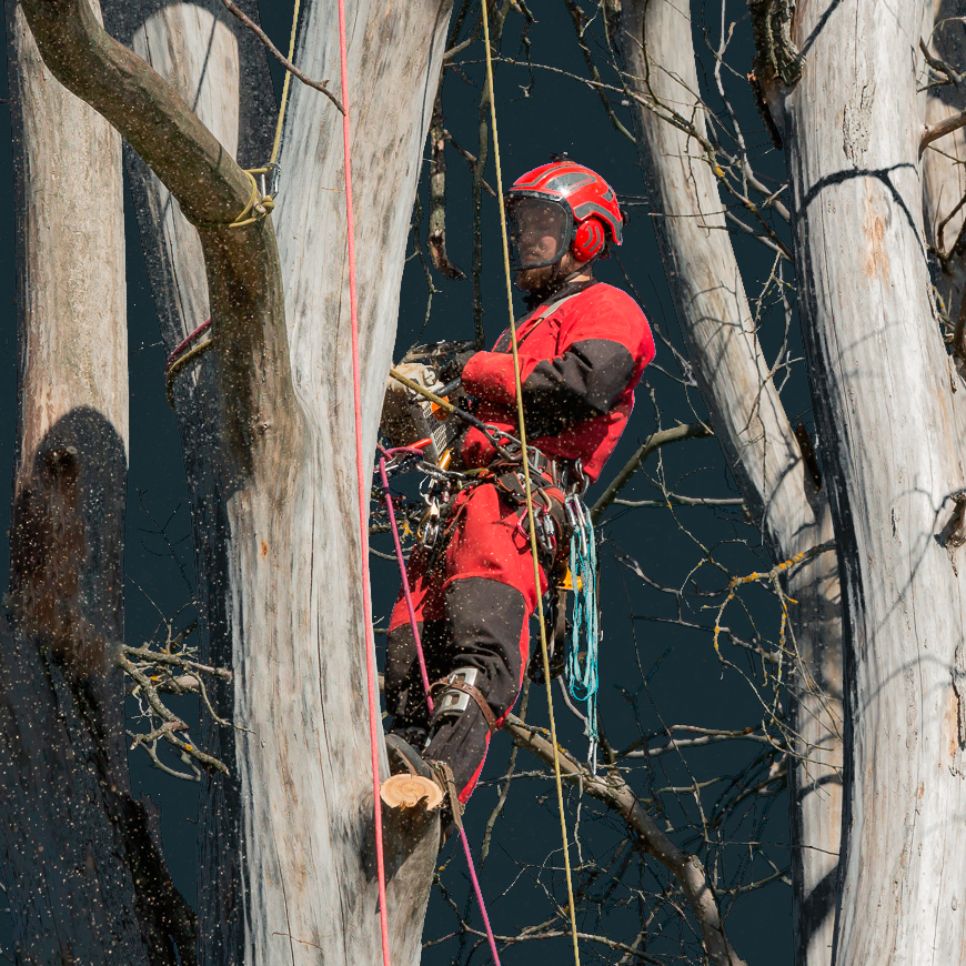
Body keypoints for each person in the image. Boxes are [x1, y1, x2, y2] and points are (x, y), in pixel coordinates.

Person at [384, 159, 656, 816]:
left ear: (585, 234)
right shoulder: (521, 333)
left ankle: (437, 781)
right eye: (523, 225)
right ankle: (391, 766)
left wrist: (469, 369)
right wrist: (413, 408)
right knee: (402, 663)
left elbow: (579, 387)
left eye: (543, 223)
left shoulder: (606, 308)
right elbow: (458, 432)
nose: (527, 239)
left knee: (479, 641)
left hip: (511, 508)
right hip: (452, 514)